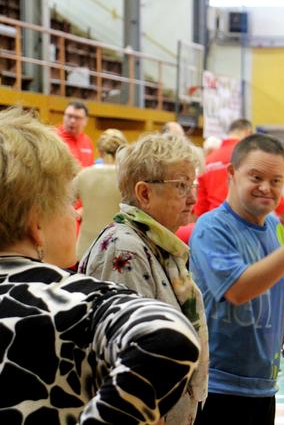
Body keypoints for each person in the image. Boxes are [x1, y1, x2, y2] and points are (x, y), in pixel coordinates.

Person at [0, 108, 201, 424]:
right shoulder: (71, 300)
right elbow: (167, 337)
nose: (76, 214)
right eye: (65, 202)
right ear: (35, 221)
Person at [190, 134, 284, 425]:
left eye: (276, 181)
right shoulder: (211, 228)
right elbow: (238, 290)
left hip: (263, 386)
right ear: (232, 174)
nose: (266, 187)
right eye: (256, 177)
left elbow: (274, 296)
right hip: (218, 385)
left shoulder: (274, 226)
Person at [79, 133, 209, 425]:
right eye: (181, 186)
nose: (192, 197)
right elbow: (127, 360)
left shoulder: (159, 243)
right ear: (144, 193)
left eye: (193, 185)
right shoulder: (124, 250)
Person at [73, 128, 127, 259]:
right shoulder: (127, 178)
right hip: (118, 248)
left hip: (85, 248)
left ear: (100, 151)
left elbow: (61, 204)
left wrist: (84, 211)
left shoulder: (84, 174)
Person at [57, 101, 95, 168]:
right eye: (69, 116)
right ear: (64, 116)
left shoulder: (88, 141)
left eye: (77, 117)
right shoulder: (54, 138)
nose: (72, 121)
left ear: (85, 121)